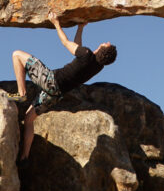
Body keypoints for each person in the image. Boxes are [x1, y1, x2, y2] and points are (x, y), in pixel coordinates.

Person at [8, 11, 117, 160]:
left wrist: (56, 23)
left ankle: (21, 93)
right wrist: (80, 28)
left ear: (103, 50)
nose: (106, 42)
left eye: (106, 44)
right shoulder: (97, 66)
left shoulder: (86, 55)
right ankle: (24, 156)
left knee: (16, 55)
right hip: (56, 94)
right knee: (28, 119)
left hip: (50, 80)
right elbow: (77, 48)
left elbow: (66, 43)